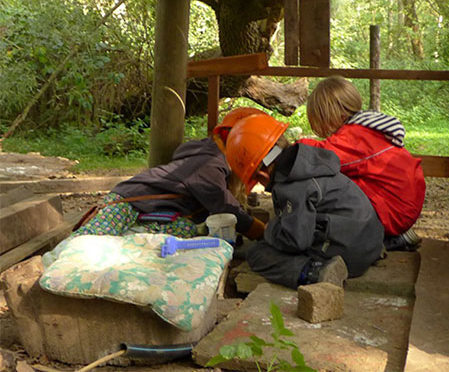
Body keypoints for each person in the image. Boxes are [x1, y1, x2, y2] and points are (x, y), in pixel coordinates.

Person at [225, 114, 385, 289]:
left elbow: (295, 242)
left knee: (258, 254)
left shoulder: (292, 187)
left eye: (257, 181)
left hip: (349, 255)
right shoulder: (308, 163)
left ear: (263, 175)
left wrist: (269, 230)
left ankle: (315, 272)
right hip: (370, 241)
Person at [71, 108, 268, 242]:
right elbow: (227, 208)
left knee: (192, 232)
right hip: (126, 203)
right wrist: (264, 233)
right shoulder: (207, 164)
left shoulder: (211, 157)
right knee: (86, 243)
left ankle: (130, 238)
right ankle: (44, 267)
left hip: (156, 213)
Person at [298, 76, 426, 251]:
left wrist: (294, 146)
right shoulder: (368, 127)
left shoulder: (356, 136)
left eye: (320, 121)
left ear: (336, 115)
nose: (321, 129)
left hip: (393, 211)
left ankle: (375, 240)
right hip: (402, 204)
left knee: (329, 188)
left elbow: (323, 156)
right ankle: (392, 237)